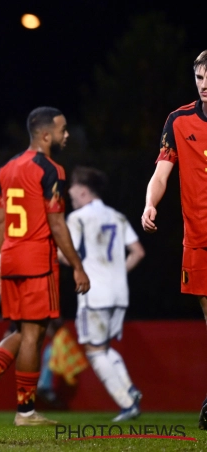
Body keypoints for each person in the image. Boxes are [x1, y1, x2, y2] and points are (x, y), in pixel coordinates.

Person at [0, 106, 90, 426]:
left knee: (22, 330)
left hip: (9, 258)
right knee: (34, 335)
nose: (66, 135)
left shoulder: (6, 169)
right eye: (62, 130)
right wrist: (77, 265)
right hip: (37, 261)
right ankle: (25, 412)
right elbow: (57, 223)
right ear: (45, 135)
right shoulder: (52, 169)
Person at [142, 49, 207, 431]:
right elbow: (162, 171)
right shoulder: (178, 120)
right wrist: (150, 203)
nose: (204, 87)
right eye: (200, 79)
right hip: (198, 238)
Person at [62, 166, 145, 421]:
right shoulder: (117, 216)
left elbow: (69, 254)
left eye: (73, 193)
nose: (71, 198)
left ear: (84, 191)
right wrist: (117, 273)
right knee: (104, 346)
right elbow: (138, 252)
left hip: (93, 292)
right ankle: (129, 389)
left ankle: (127, 403)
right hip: (119, 292)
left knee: (94, 350)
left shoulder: (77, 218)